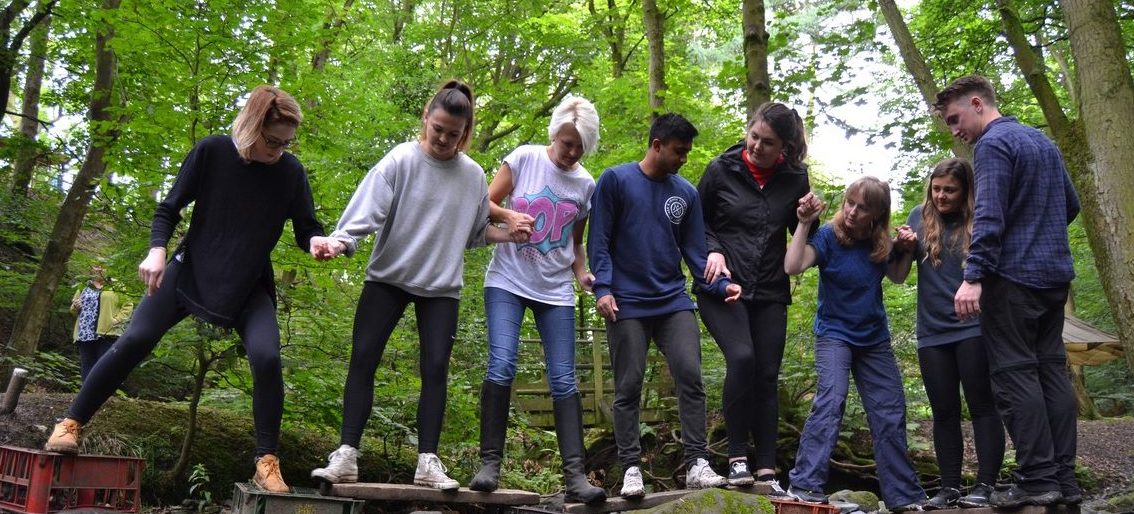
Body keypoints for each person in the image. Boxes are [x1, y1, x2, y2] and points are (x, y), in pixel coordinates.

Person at [45, 85, 326, 493]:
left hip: (248, 281)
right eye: (272, 140)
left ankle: (266, 460)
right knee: (135, 340)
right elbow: (169, 206)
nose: (279, 150)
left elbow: (307, 228)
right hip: (191, 267)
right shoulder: (212, 152)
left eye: (287, 142)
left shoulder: (290, 172)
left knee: (266, 357)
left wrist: (317, 242)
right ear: (252, 125)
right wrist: (156, 251)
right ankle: (70, 423)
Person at [308, 80, 522, 490]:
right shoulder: (401, 160)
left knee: (436, 369)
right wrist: (339, 241)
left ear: (465, 133)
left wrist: (507, 232)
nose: (443, 139)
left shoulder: (473, 176)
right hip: (389, 277)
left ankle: (427, 462)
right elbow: (366, 212)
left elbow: (475, 232)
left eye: (453, 134)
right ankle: (347, 454)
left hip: (440, 287)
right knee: (364, 359)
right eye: (437, 128)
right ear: (426, 118)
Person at [935, 75, 1081, 508]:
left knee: (1014, 374)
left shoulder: (993, 146)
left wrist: (973, 276)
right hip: (1054, 279)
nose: (955, 129)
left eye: (956, 119)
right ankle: (1064, 482)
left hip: (1014, 281)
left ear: (978, 104)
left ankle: (1038, 480)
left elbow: (990, 219)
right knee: (1051, 372)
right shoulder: (1041, 142)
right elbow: (1069, 205)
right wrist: (1040, 234)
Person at [587, 113, 742, 498]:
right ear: (657, 145)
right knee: (629, 383)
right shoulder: (616, 180)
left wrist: (722, 285)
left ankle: (697, 463)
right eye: (679, 151)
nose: (684, 159)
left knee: (690, 374)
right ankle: (631, 468)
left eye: (686, 153)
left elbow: (695, 252)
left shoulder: (686, 193)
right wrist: (602, 288)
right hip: (626, 303)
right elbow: (599, 239)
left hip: (672, 300)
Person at [467, 97, 606, 504]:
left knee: (564, 379)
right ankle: (489, 464)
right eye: (567, 143)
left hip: (555, 290)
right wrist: (508, 217)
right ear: (555, 134)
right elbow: (484, 205)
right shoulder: (525, 158)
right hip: (508, 280)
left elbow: (575, 244)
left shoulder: (586, 184)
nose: (572, 153)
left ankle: (575, 477)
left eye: (580, 147)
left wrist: (582, 273)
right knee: (503, 361)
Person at [783, 176, 927, 512]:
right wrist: (803, 223)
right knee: (831, 400)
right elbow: (793, 266)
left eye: (862, 208)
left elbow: (898, 276)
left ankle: (903, 497)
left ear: (876, 215)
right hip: (834, 333)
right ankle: (804, 486)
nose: (852, 212)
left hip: (874, 338)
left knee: (890, 411)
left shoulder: (881, 243)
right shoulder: (829, 237)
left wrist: (904, 249)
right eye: (850, 202)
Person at [696, 102, 814, 493]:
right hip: (721, 285)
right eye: (754, 137)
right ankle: (736, 456)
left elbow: (805, 241)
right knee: (742, 357)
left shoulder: (796, 178)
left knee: (766, 373)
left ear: (785, 146)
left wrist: (806, 218)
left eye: (768, 143)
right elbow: (696, 223)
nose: (758, 147)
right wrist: (711, 248)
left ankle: (766, 466)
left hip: (769, 290)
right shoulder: (720, 169)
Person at [891, 159, 1005, 509]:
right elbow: (896, 276)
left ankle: (985, 484)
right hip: (932, 332)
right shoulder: (917, 217)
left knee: (982, 406)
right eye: (936, 188)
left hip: (973, 328)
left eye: (949, 190)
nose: (941, 196)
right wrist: (904, 248)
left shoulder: (981, 217)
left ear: (965, 190)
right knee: (944, 412)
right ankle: (949, 487)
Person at [71, 264, 133, 383]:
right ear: (90, 269)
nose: (98, 269)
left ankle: (99, 395)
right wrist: (76, 306)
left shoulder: (116, 285)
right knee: (87, 364)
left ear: (107, 269)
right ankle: (85, 397)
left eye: (101, 267)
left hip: (107, 331)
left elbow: (128, 306)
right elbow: (74, 308)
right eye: (95, 267)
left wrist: (116, 320)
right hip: (85, 331)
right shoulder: (84, 286)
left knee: (104, 365)